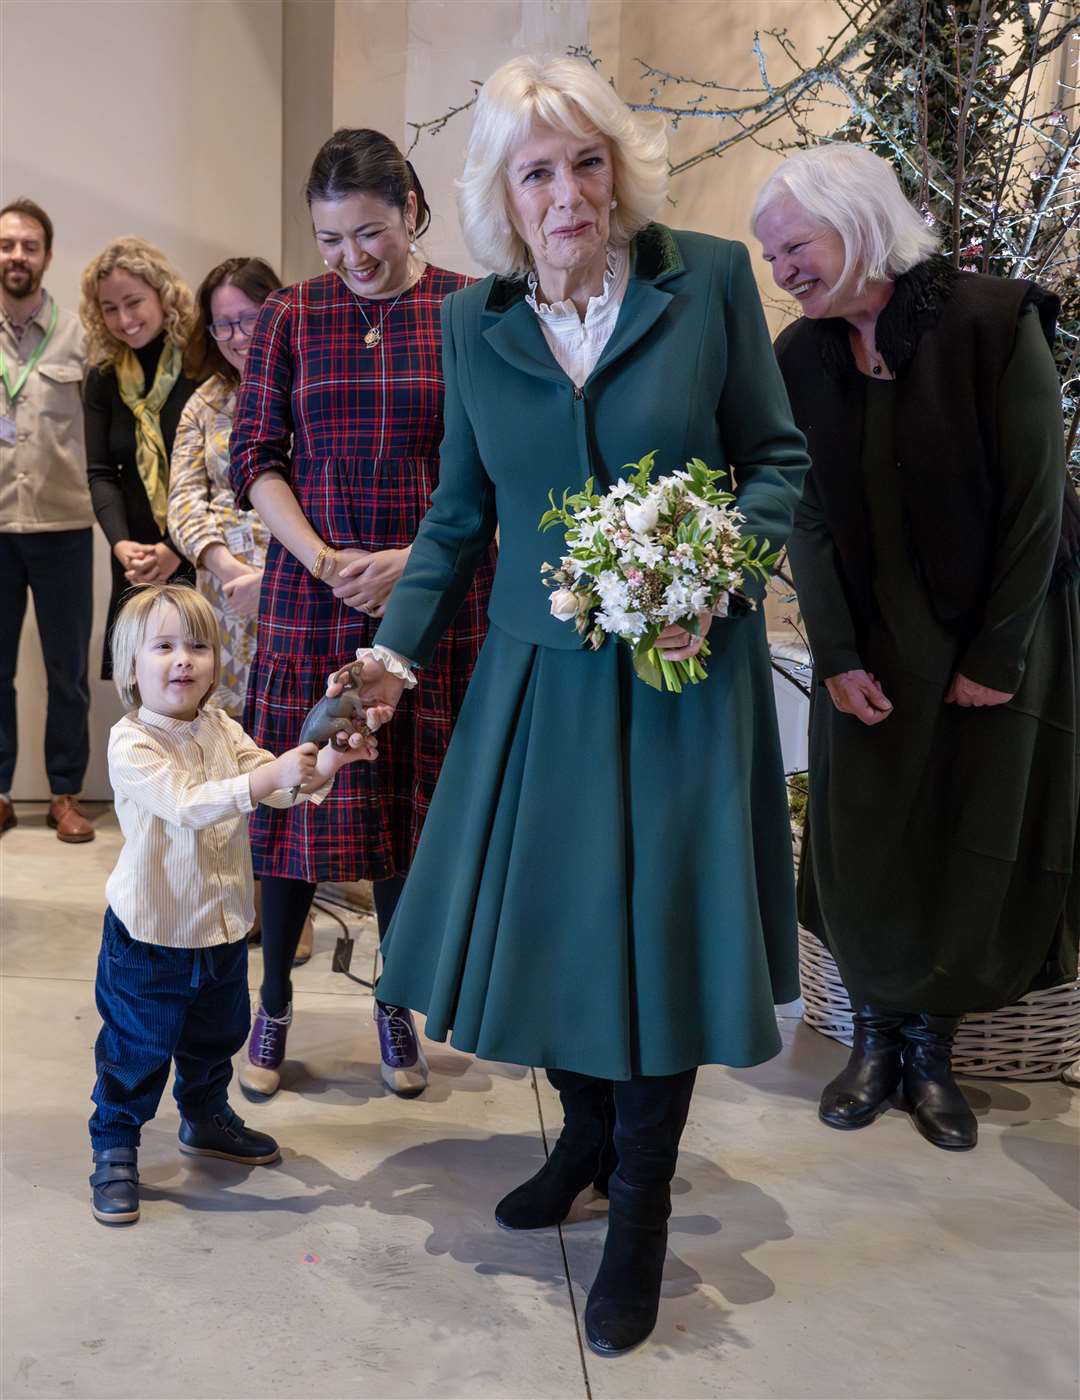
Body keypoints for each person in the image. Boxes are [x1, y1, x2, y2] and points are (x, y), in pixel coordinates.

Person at [334, 55, 810, 1357]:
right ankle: (589, 1140)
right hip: (537, 680)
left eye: (587, 160)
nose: (568, 192)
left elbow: (776, 461)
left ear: (620, 167)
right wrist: (389, 658)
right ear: (499, 192)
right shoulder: (473, 320)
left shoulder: (703, 278)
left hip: (680, 681)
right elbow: (457, 519)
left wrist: (713, 567)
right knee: (557, 932)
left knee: (657, 940)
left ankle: (642, 1207)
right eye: (537, 170)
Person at [753, 144, 1080, 1153]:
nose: (782, 270)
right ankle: (876, 1038)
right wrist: (837, 650)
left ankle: (930, 1048)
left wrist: (995, 653)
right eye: (770, 256)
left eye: (793, 246)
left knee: (963, 826)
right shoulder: (799, 356)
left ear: (855, 225)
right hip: (871, 641)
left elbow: (1037, 500)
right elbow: (805, 513)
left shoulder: (992, 319)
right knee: (866, 831)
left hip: (997, 633)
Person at [228, 129, 494, 1100]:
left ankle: (396, 1001)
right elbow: (255, 456)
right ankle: (273, 1003)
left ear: (413, 208)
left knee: (403, 809)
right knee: (299, 798)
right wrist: (324, 559)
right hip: (312, 592)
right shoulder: (292, 314)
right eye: (331, 238)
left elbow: (499, 467)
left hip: (433, 598)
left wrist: (412, 565)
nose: (351, 257)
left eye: (368, 232)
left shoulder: (470, 308)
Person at [87, 582, 381, 1226]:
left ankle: (206, 1118)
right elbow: (189, 803)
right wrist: (265, 778)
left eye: (198, 645)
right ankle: (115, 1144)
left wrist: (328, 758)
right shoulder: (131, 742)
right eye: (162, 646)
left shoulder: (221, 726)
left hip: (218, 930)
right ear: (130, 666)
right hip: (151, 938)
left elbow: (276, 787)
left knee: (215, 1038)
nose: (183, 659)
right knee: (135, 1051)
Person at [167, 259, 313, 960]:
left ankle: (289, 906)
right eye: (221, 323)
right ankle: (228, 897)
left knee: (286, 748)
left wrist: (278, 573)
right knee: (219, 748)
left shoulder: (310, 382)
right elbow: (184, 498)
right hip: (223, 605)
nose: (234, 336)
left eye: (247, 319)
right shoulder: (204, 404)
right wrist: (226, 567)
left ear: (277, 310)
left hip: (298, 596)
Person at [0, 198, 95, 843]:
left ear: (48, 256)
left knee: (67, 670)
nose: (16, 257)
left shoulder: (81, 336)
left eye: (29, 246)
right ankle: (0, 793)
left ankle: (65, 794)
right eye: (7, 245)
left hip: (64, 526)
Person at [80, 237, 200, 678]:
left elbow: (215, 476)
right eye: (110, 308)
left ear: (162, 294)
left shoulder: (199, 360)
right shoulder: (103, 375)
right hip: (135, 559)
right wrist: (122, 546)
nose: (124, 320)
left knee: (199, 685)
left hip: (198, 551)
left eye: (133, 302)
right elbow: (100, 474)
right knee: (143, 689)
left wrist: (174, 549)